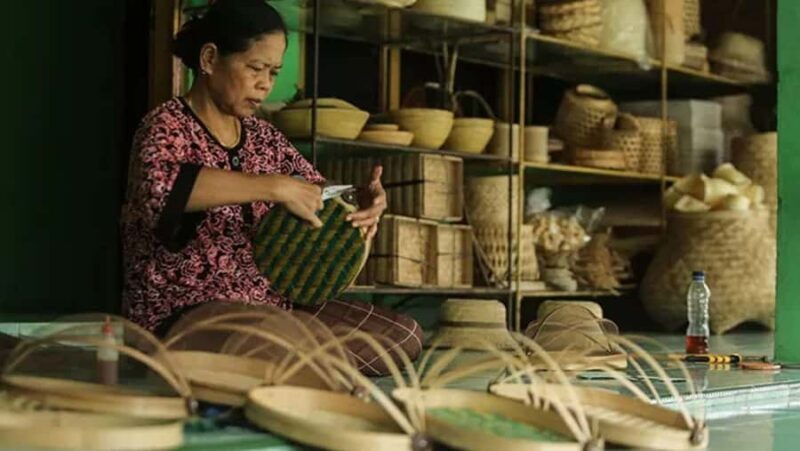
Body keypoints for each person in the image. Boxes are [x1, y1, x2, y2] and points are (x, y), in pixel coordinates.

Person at [121, 0, 422, 375]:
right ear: (211, 59)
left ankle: (302, 363)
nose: (265, 83)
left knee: (400, 335)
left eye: (274, 72)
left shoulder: (263, 137)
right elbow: (164, 188)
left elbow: (317, 192)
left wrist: (363, 201)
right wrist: (274, 187)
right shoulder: (166, 126)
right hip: (185, 314)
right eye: (255, 68)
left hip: (270, 306)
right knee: (299, 345)